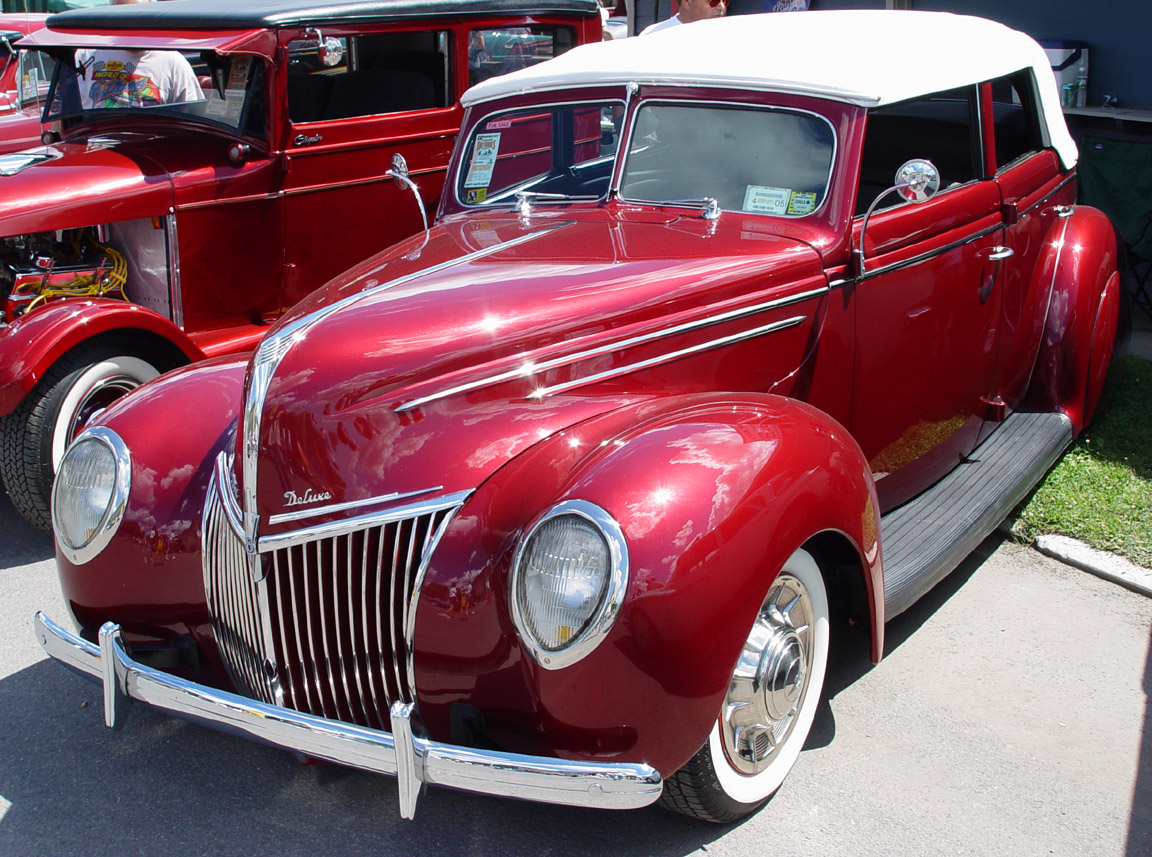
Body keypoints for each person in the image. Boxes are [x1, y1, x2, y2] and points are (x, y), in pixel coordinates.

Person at [77, 0, 203, 108]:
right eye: (124, 18)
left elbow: (193, 115)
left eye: (139, 18)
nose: (132, 26)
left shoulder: (173, 63)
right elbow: (62, 108)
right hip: (96, 133)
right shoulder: (85, 56)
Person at [640, 0, 726, 35]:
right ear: (686, 2)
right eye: (714, 1)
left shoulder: (726, 36)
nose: (721, 7)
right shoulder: (654, 34)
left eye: (725, 1)